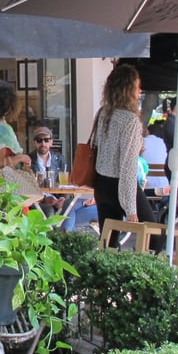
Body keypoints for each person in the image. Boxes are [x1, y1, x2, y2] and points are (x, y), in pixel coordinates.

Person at [93, 64, 155, 247]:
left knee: (108, 243)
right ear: (128, 89)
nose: (140, 91)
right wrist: (130, 208)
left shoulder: (103, 113)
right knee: (155, 236)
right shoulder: (130, 120)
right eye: (137, 87)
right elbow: (127, 166)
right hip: (120, 184)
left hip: (101, 183)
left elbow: (98, 147)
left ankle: (103, 275)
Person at [29, 126, 97, 232]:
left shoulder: (59, 158)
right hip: (40, 201)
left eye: (46, 140)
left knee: (71, 205)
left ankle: (65, 235)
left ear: (51, 142)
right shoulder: (28, 161)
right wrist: (43, 199)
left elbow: (65, 184)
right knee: (66, 209)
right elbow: (27, 188)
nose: (43, 143)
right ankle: (67, 237)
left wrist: (63, 199)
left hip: (59, 198)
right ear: (34, 142)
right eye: (39, 140)